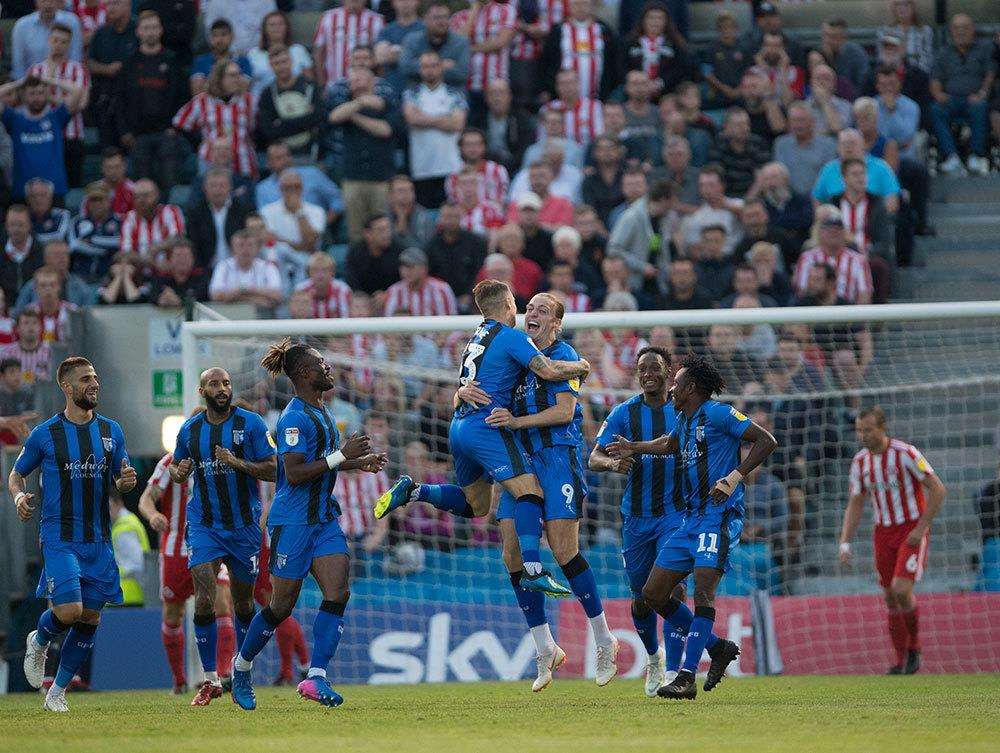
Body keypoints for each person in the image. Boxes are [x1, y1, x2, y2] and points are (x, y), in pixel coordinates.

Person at [375, 279, 590, 589]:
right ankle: (533, 569)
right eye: (520, 305)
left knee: (476, 506)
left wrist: (461, 391)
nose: (521, 310)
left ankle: (414, 491)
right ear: (508, 307)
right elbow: (548, 371)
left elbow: (460, 392)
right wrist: (580, 366)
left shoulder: (474, 340)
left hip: (458, 428)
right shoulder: (510, 337)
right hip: (485, 428)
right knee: (530, 492)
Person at [457, 293, 617, 690]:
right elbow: (473, 383)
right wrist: (460, 393)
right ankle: (545, 647)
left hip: (558, 456)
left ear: (557, 324)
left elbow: (564, 412)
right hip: (522, 460)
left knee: (564, 551)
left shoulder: (565, 355)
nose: (534, 313)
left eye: (544, 310)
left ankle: (604, 639)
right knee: (510, 552)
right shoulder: (515, 352)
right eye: (531, 307)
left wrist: (516, 421)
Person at [606, 353, 776, 699]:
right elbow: (669, 444)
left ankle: (685, 676)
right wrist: (633, 447)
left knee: (702, 593)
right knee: (653, 594)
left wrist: (735, 475)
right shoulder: (684, 420)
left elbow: (766, 440)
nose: (671, 388)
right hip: (689, 519)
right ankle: (717, 647)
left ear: (691, 387)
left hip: (719, 517)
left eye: (677, 383)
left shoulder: (718, 412)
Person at [231, 341, 387, 710]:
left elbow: (325, 463)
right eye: (321, 363)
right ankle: (241, 666)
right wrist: (342, 456)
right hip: (294, 522)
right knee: (281, 606)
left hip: (323, 519)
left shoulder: (322, 410)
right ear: (304, 373)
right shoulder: (294, 418)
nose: (328, 367)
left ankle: (316, 676)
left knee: (338, 593)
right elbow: (295, 473)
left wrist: (356, 463)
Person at [12, 356, 137, 712]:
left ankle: (57, 692)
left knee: (90, 618)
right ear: (66, 388)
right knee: (69, 610)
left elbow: (120, 475)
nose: (94, 383)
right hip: (59, 536)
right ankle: (39, 639)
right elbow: (16, 474)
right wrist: (20, 495)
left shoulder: (112, 430)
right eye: (85, 379)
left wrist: (125, 481)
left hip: (98, 538)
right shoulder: (45, 434)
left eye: (95, 377)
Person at [167, 367, 275, 705]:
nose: (222, 388)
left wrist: (238, 463)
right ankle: (211, 678)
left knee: (243, 603)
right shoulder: (190, 430)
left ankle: (240, 674)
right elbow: (178, 468)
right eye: (215, 383)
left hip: (243, 527)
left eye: (226, 383)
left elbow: (274, 468)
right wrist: (177, 471)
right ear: (202, 390)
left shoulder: (252, 424)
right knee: (204, 597)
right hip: (205, 525)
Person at [589, 346, 691, 695]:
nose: (648, 373)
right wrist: (612, 464)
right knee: (643, 600)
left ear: (668, 372)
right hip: (636, 518)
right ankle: (654, 657)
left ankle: (676, 673)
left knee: (672, 589)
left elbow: (681, 446)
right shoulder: (622, 413)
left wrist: (634, 449)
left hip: (676, 515)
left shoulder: (682, 410)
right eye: (642, 368)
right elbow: (594, 457)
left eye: (655, 368)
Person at [838, 406, 947, 675]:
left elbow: (938, 489)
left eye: (868, 430)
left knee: (901, 590)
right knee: (889, 596)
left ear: (882, 428)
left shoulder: (906, 453)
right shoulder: (860, 462)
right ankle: (900, 660)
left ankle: (915, 647)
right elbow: (855, 503)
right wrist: (844, 542)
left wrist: (921, 529)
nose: (863, 435)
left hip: (910, 529)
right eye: (859, 430)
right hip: (882, 532)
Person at [139, 451, 240, 692]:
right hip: (176, 550)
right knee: (173, 615)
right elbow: (146, 500)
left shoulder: (220, 459)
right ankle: (179, 680)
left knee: (223, 603)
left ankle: (224, 675)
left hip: (211, 547)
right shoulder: (170, 461)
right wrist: (153, 515)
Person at [116, 10, 187, 192]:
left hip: (167, 133)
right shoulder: (129, 63)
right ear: (138, 31)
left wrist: (176, 127)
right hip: (137, 135)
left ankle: (171, 217)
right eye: (146, 28)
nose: (151, 32)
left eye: (154, 27)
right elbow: (120, 100)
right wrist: (125, 131)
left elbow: (183, 97)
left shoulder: (172, 61)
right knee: (143, 187)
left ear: (161, 30)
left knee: (171, 182)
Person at [327, 65, 398, 243]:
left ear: (372, 81)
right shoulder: (344, 101)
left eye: (361, 78)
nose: (356, 83)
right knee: (356, 233)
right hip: (353, 179)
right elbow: (334, 117)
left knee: (383, 230)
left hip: (381, 179)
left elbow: (384, 130)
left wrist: (355, 116)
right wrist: (359, 102)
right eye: (353, 80)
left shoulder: (386, 102)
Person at [0, 74, 84, 202]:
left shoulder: (56, 117)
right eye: (32, 93)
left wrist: (49, 80)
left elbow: (77, 91)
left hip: (54, 190)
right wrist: (20, 83)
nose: (36, 98)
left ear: (46, 94)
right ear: (23, 96)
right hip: (23, 191)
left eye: (40, 93)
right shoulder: (14, 119)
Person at [27, 22, 90, 189]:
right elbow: (30, 102)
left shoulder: (78, 69)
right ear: (49, 40)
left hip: (72, 136)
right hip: (42, 135)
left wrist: (50, 98)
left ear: (69, 44)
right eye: (56, 40)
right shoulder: (35, 70)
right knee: (42, 184)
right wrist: (61, 100)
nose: (59, 45)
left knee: (73, 185)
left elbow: (81, 103)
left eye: (64, 41)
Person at [930, 14, 994, 176]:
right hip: (950, 99)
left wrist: (982, 93)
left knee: (980, 106)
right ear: (951, 31)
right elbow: (935, 79)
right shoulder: (943, 53)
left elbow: (990, 74)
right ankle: (951, 157)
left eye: (965, 27)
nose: (961, 32)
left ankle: (975, 155)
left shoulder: (983, 49)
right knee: (936, 109)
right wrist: (938, 94)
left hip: (974, 98)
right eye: (957, 28)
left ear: (973, 30)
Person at [402, 51, 468, 208]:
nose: (430, 70)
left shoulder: (455, 94)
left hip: (450, 166)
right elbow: (412, 119)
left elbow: (457, 124)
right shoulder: (411, 94)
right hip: (422, 167)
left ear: (441, 67)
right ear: (420, 69)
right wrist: (445, 118)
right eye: (425, 66)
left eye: (434, 66)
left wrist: (424, 118)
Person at [174, 59, 258, 179]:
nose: (238, 79)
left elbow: (260, 127)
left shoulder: (250, 101)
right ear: (219, 78)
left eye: (239, 74)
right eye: (232, 75)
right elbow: (180, 124)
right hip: (210, 162)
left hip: (243, 162)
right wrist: (199, 143)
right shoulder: (202, 101)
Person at [538, 0, 621, 102]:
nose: (580, 7)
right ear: (570, 6)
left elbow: (613, 62)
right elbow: (546, 62)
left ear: (592, 6)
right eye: (577, 4)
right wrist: (547, 89)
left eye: (584, 3)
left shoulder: (604, 30)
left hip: (599, 99)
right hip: (562, 100)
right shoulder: (558, 30)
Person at [607, 179, 679, 296]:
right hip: (635, 284)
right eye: (672, 201)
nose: (674, 206)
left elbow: (657, 247)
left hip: (657, 282)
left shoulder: (663, 219)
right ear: (663, 200)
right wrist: (642, 267)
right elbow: (614, 249)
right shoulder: (632, 217)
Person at [254, 45, 324, 158]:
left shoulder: (310, 86)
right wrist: (305, 119)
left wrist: (281, 123)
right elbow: (268, 130)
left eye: (284, 62)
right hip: (282, 157)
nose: (282, 67)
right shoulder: (267, 94)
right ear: (271, 66)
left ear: (291, 62)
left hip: (311, 152)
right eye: (277, 63)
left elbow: (319, 118)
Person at [186, 169, 255, 270]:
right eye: (213, 186)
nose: (217, 190)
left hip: (238, 269)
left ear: (230, 188)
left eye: (222, 186)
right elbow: (193, 244)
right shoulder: (196, 213)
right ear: (205, 188)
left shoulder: (244, 210)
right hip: (206, 270)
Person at [424, 202, 488, 311]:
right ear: (440, 219)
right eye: (447, 217)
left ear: (461, 218)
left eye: (455, 217)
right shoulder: (431, 245)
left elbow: (480, 272)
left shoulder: (476, 242)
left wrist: (470, 294)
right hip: (438, 296)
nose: (451, 221)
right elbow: (428, 274)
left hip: (470, 297)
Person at [398, 1, 470, 90]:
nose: (442, 22)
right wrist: (440, 64)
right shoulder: (412, 40)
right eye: (437, 18)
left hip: (452, 97)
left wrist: (423, 65)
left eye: (446, 17)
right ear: (425, 19)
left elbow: (462, 73)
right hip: (418, 95)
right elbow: (405, 68)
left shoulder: (461, 42)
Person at [469, 78, 534, 174]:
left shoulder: (522, 119)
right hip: (483, 168)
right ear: (486, 98)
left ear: (509, 96)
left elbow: (524, 149)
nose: (497, 98)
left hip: (515, 168)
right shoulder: (477, 119)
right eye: (493, 93)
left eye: (501, 93)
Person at [119, 179, 186, 267]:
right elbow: (126, 252)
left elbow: (179, 238)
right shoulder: (130, 217)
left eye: (146, 195)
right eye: (137, 197)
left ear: (157, 195)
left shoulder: (170, 211)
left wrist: (156, 249)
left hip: (169, 273)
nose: (141, 200)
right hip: (140, 274)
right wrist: (150, 262)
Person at [208, 230, 283, 308]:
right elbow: (215, 295)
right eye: (241, 245)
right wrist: (254, 298)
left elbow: (277, 295)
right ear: (232, 249)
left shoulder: (268, 267)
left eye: (250, 245)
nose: (245, 249)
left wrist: (241, 291)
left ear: (258, 248)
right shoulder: (223, 266)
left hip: (261, 317)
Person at [11, 0, 84, 79]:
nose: (48, 5)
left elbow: (76, 57)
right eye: (43, 1)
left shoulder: (72, 22)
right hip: (33, 83)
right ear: (36, 2)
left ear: (58, 2)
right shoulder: (22, 26)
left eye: (51, 1)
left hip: (65, 80)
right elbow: (18, 64)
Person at [708, 107, 771, 197]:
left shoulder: (758, 143)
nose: (745, 128)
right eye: (739, 125)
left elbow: (761, 178)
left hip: (754, 198)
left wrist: (747, 202)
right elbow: (716, 177)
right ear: (726, 128)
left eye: (747, 124)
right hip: (725, 198)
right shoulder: (718, 145)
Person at [247, 11, 313, 95]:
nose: (276, 28)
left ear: (287, 27)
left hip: (295, 101)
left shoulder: (298, 50)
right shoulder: (253, 53)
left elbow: (310, 81)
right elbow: (247, 85)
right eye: (272, 25)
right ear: (264, 29)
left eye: (280, 24)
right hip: (261, 102)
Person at [69, 181, 121, 284]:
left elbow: (119, 242)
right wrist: (105, 249)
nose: (97, 204)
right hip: (80, 276)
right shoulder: (77, 222)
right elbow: (74, 245)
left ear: (108, 201)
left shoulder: (119, 221)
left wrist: (92, 240)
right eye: (93, 200)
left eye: (100, 200)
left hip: (109, 277)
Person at [444, 128, 511, 207]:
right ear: (461, 148)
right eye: (468, 144)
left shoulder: (498, 171)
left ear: (484, 146)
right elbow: (454, 206)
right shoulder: (453, 176)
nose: (473, 148)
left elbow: (504, 202)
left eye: (477, 144)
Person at [383, 247, 457, 317]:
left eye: (411, 266)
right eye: (403, 266)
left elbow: (450, 325)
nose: (405, 271)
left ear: (424, 268)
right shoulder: (393, 291)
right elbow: (387, 326)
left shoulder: (441, 290)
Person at [344, 214, 404, 299]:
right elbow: (352, 282)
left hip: (393, 299)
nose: (387, 234)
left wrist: (388, 294)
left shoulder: (400, 251)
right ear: (367, 234)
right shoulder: (355, 253)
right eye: (381, 230)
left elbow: (404, 281)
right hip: (364, 302)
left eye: (388, 228)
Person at [189, 18, 252, 95]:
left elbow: (243, 89)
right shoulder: (201, 61)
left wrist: (211, 83)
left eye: (223, 34)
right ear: (210, 38)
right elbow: (197, 91)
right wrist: (231, 82)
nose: (219, 39)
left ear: (232, 36)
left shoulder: (242, 61)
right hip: (209, 106)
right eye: (215, 35)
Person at [1, 205, 44, 305]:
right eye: (12, 224)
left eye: (20, 225)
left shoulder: (40, 250)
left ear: (29, 225)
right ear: (6, 226)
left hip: (34, 308)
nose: (16, 229)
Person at [148, 239, 210, 307]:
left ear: (193, 259)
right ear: (170, 259)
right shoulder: (161, 276)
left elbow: (202, 295)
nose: (182, 260)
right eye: (178, 256)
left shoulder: (201, 276)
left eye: (186, 256)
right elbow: (152, 295)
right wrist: (160, 299)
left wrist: (179, 300)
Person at [0, 309, 52, 385]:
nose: (31, 327)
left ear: (40, 327)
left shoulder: (50, 353)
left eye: (34, 323)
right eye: (26, 323)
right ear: (17, 328)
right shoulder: (6, 354)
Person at [882, 0, 934, 74]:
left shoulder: (924, 31)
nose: (902, 8)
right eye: (898, 5)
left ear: (913, 7)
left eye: (906, 4)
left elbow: (927, 59)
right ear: (893, 9)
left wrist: (915, 74)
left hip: (919, 75)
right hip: (895, 76)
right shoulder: (888, 31)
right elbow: (888, 60)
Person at [388, 175, 437, 249]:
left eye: (410, 190)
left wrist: (403, 233)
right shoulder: (383, 216)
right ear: (390, 195)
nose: (406, 195)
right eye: (401, 191)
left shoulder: (423, 217)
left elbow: (422, 250)